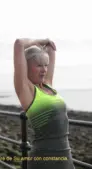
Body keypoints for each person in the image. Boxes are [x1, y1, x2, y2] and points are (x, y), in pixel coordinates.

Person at [13, 38, 75, 169]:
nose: (44, 70)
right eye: (39, 65)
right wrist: (39, 41)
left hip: (65, 157)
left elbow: (51, 48)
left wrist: (46, 45)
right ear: (26, 67)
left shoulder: (47, 85)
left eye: (46, 65)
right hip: (44, 159)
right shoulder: (26, 90)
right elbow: (19, 44)